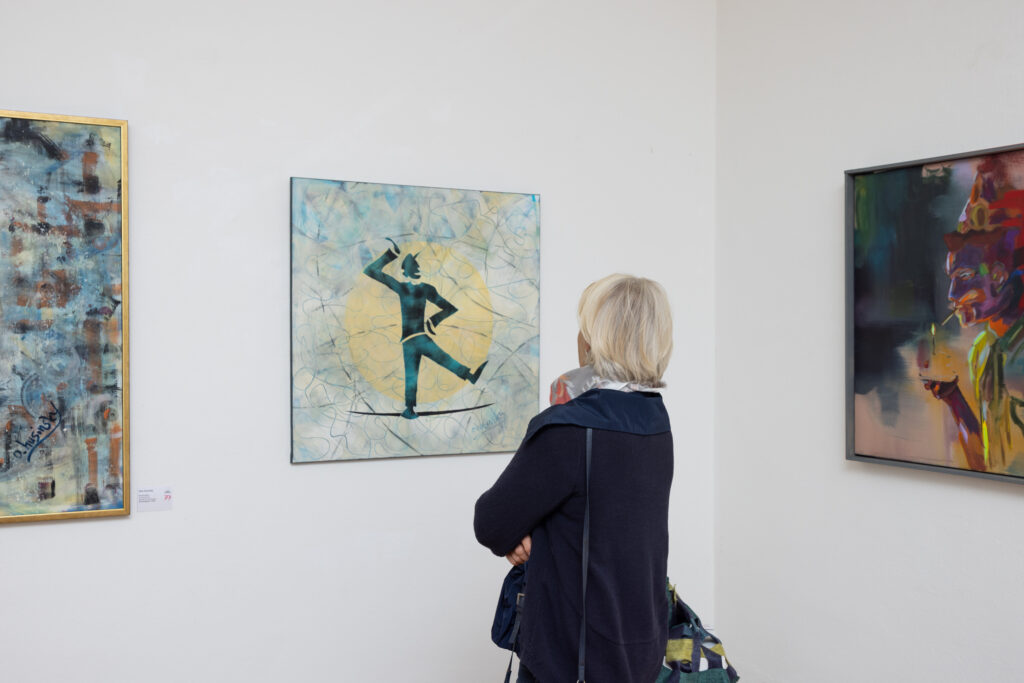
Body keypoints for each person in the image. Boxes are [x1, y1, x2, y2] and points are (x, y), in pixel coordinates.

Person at [474, 274, 674, 683]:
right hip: (640, 649)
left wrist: (525, 530)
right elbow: (597, 510)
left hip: (571, 660)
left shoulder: (567, 429)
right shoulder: (656, 421)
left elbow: (491, 523)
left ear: (593, 340)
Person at [921, 158, 1024, 471]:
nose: (952, 295)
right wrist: (953, 398)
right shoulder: (982, 352)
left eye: (964, 277)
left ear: (998, 275)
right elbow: (988, 466)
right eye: (951, 279)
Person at [363, 238, 487, 419]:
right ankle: (467, 376)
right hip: (415, 339)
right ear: (409, 271)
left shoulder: (413, 289)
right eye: (414, 265)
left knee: (418, 372)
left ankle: (410, 409)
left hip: (414, 339)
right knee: (425, 369)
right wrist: (392, 253)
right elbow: (370, 271)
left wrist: (433, 320)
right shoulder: (412, 289)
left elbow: (371, 271)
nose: (417, 268)